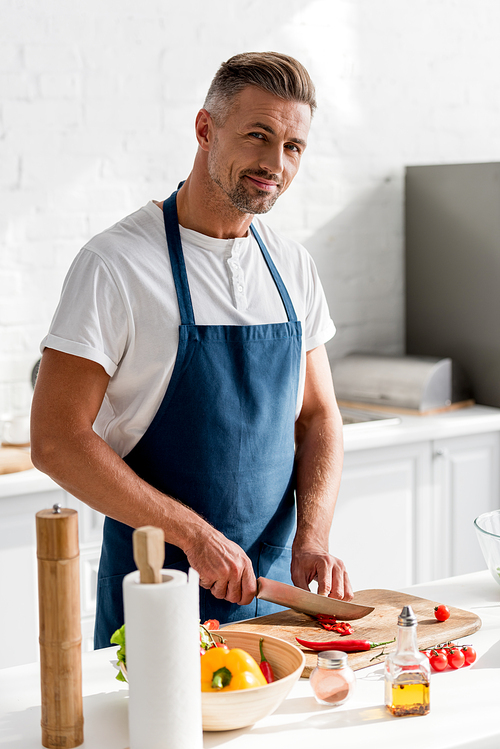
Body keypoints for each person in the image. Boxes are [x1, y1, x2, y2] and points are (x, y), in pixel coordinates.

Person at [30, 51, 353, 649]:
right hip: (156, 593)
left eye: (293, 146)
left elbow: (319, 416)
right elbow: (55, 439)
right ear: (206, 129)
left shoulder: (292, 266)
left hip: (278, 599)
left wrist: (313, 538)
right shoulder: (117, 264)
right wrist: (193, 536)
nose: (274, 163)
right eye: (258, 135)